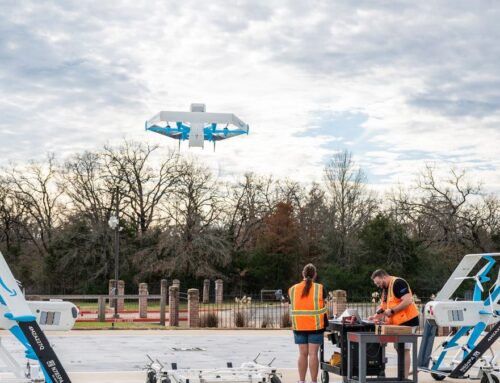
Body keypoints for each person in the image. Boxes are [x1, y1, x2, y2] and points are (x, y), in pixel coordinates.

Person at [368, 269, 419, 379]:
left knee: (404, 349)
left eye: (378, 282)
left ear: (384, 277)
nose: (378, 285)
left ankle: (404, 378)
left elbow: (407, 300)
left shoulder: (398, 283)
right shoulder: (386, 288)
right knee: (398, 348)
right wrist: (375, 316)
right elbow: (383, 307)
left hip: (408, 321)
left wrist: (392, 311)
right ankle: (403, 374)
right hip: (398, 323)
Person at [288, 264, 327, 383]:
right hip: (315, 326)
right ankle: (314, 381)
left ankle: (301, 381)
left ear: (302, 274)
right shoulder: (320, 288)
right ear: (315, 274)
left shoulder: (292, 289)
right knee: (313, 354)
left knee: (302, 354)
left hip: (299, 326)